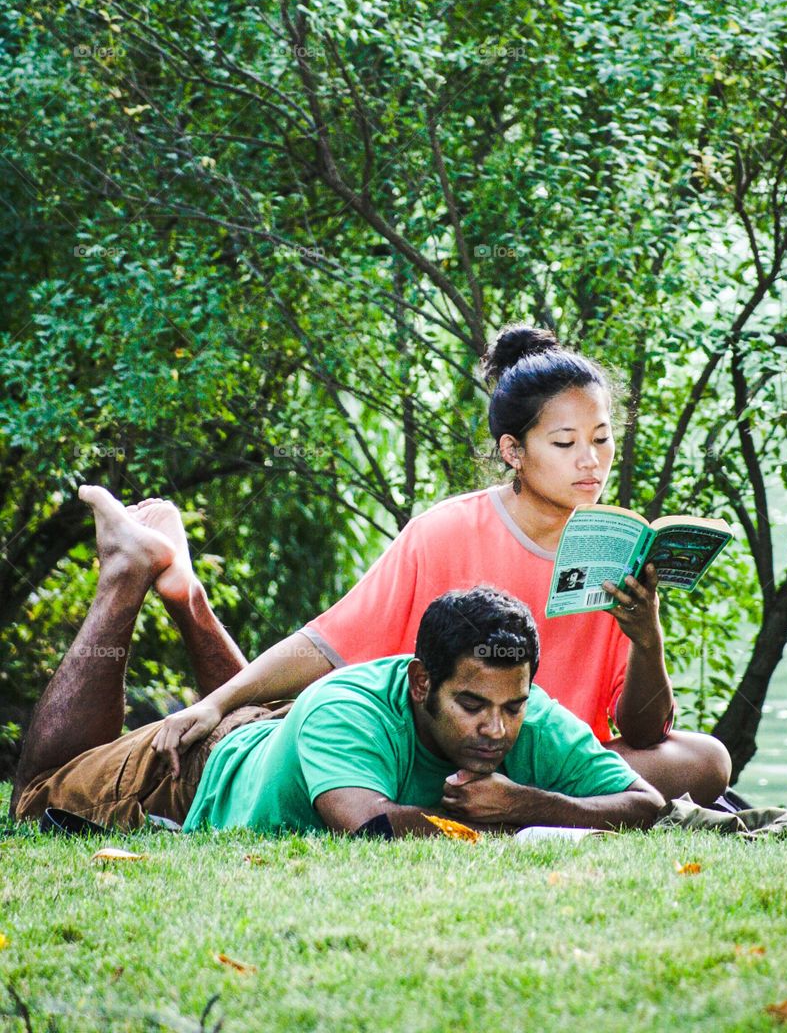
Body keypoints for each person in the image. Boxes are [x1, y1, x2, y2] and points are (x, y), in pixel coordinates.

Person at [150, 325, 731, 806]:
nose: (590, 460)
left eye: (602, 440)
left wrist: (645, 636)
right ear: (513, 451)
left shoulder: (615, 545)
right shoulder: (447, 532)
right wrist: (215, 702)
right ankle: (489, 799)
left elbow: (646, 734)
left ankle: (516, 802)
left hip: (556, 763)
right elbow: (328, 644)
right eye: (565, 443)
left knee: (706, 760)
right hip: (446, 754)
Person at [10, 490, 663, 834]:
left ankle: (186, 594)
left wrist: (525, 803)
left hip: (287, 736)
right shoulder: (346, 708)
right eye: (473, 707)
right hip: (194, 771)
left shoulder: (523, 713)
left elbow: (645, 803)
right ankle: (126, 570)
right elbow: (367, 823)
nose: (496, 728)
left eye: (512, 707)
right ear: (421, 681)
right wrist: (507, 819)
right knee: (35, 798)